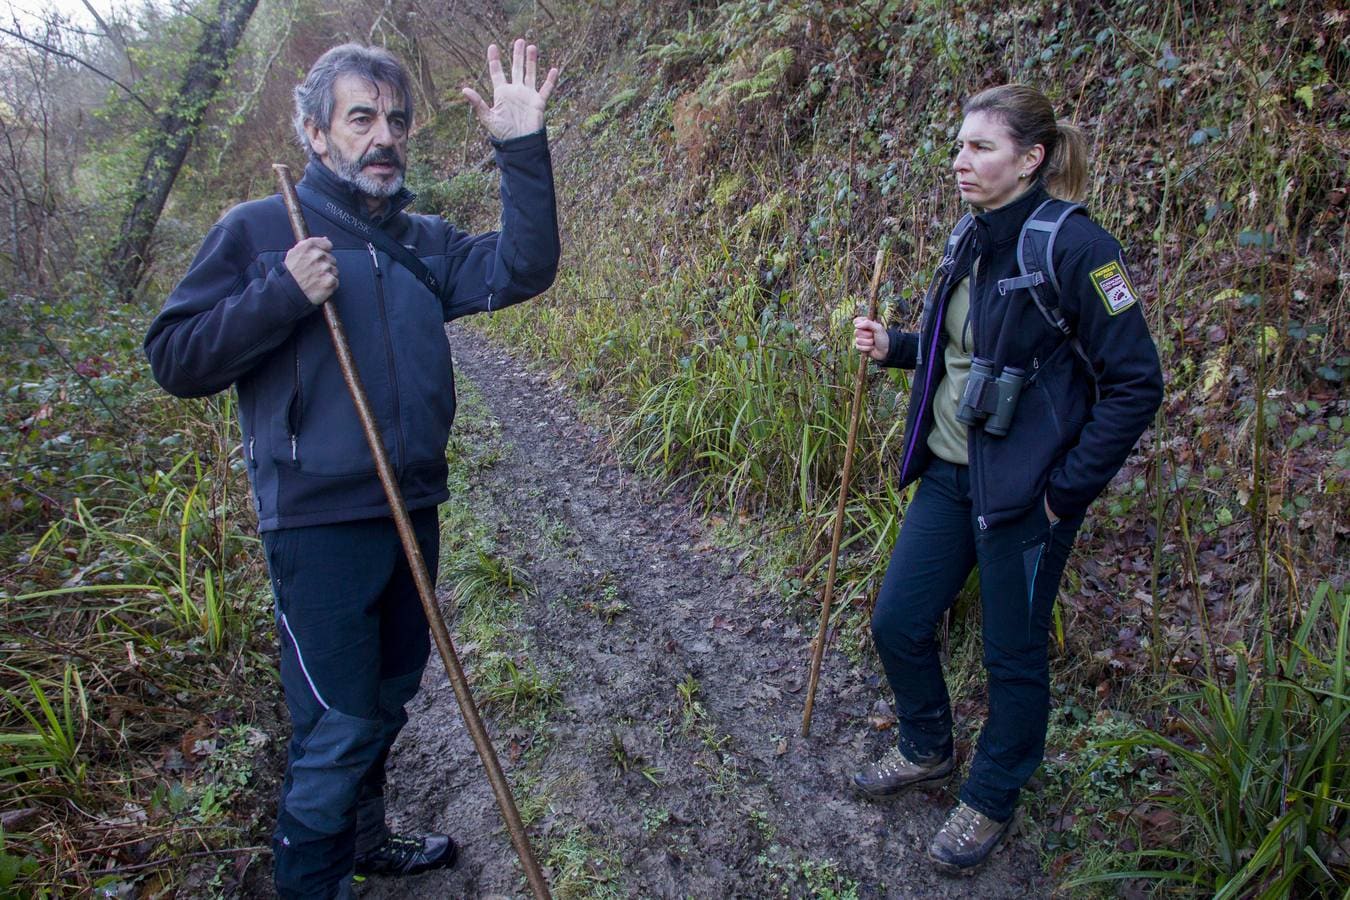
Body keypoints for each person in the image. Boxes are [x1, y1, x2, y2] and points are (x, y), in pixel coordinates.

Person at [144, 40, 560, 899]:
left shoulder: (421, 241)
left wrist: (520, 149)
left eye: (396, 120)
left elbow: (525, 267)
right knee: (335, 730)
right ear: (316, 133)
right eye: (361, 117)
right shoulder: (260, 231)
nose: (384, 137)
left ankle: (367, 841)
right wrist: (281, 295)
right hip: (316, 523)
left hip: (412, 507)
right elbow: (175, 358)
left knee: (388, 700)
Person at [849, 84, 1162, 874]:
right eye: (958, 146)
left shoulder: (1081, 250)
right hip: (952, 477)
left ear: (1031, 159)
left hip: (1027, 496)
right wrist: (897, 345)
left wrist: (1066, 493)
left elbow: (1137, 383)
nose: (961, 161)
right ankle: (926, 746)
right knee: (898, 622)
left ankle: (991, 794)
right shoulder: (971, 236)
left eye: (981, 148)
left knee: (1012, 656)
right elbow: (971, 351)